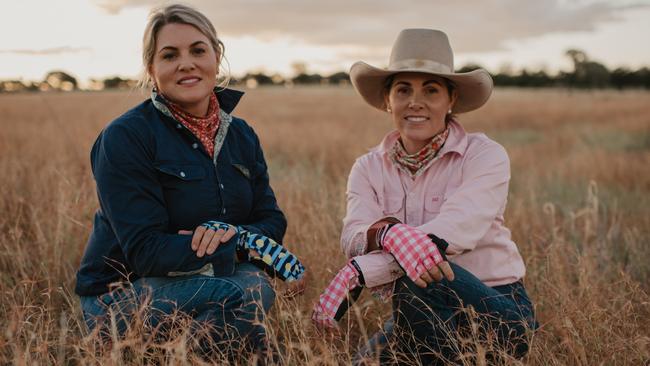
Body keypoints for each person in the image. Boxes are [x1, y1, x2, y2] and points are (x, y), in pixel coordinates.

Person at [74, 4, 305, 360]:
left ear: (217, 56)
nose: (186, 63)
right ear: (152, 70)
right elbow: (146, 252)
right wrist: (234, 246)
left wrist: (226, 235)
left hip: (209, 282)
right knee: (251, 289)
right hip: (121, 296)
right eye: (170, 55)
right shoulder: (126, 136)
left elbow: (272, 221)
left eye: (198, 50)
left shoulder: (241, 135)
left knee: (255, 328)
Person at [312, 29, 537, 364]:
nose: (415, 102)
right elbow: (355, 236)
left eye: (430, 90)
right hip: (419, 308)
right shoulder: (367, 168)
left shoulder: (484, 155)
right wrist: (390, 234)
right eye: (404, 90)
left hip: (496, 308)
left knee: (420, 274)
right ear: (388, 100)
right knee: (363, 362)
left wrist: (361, 270)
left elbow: (455, 230)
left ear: (451, 100)